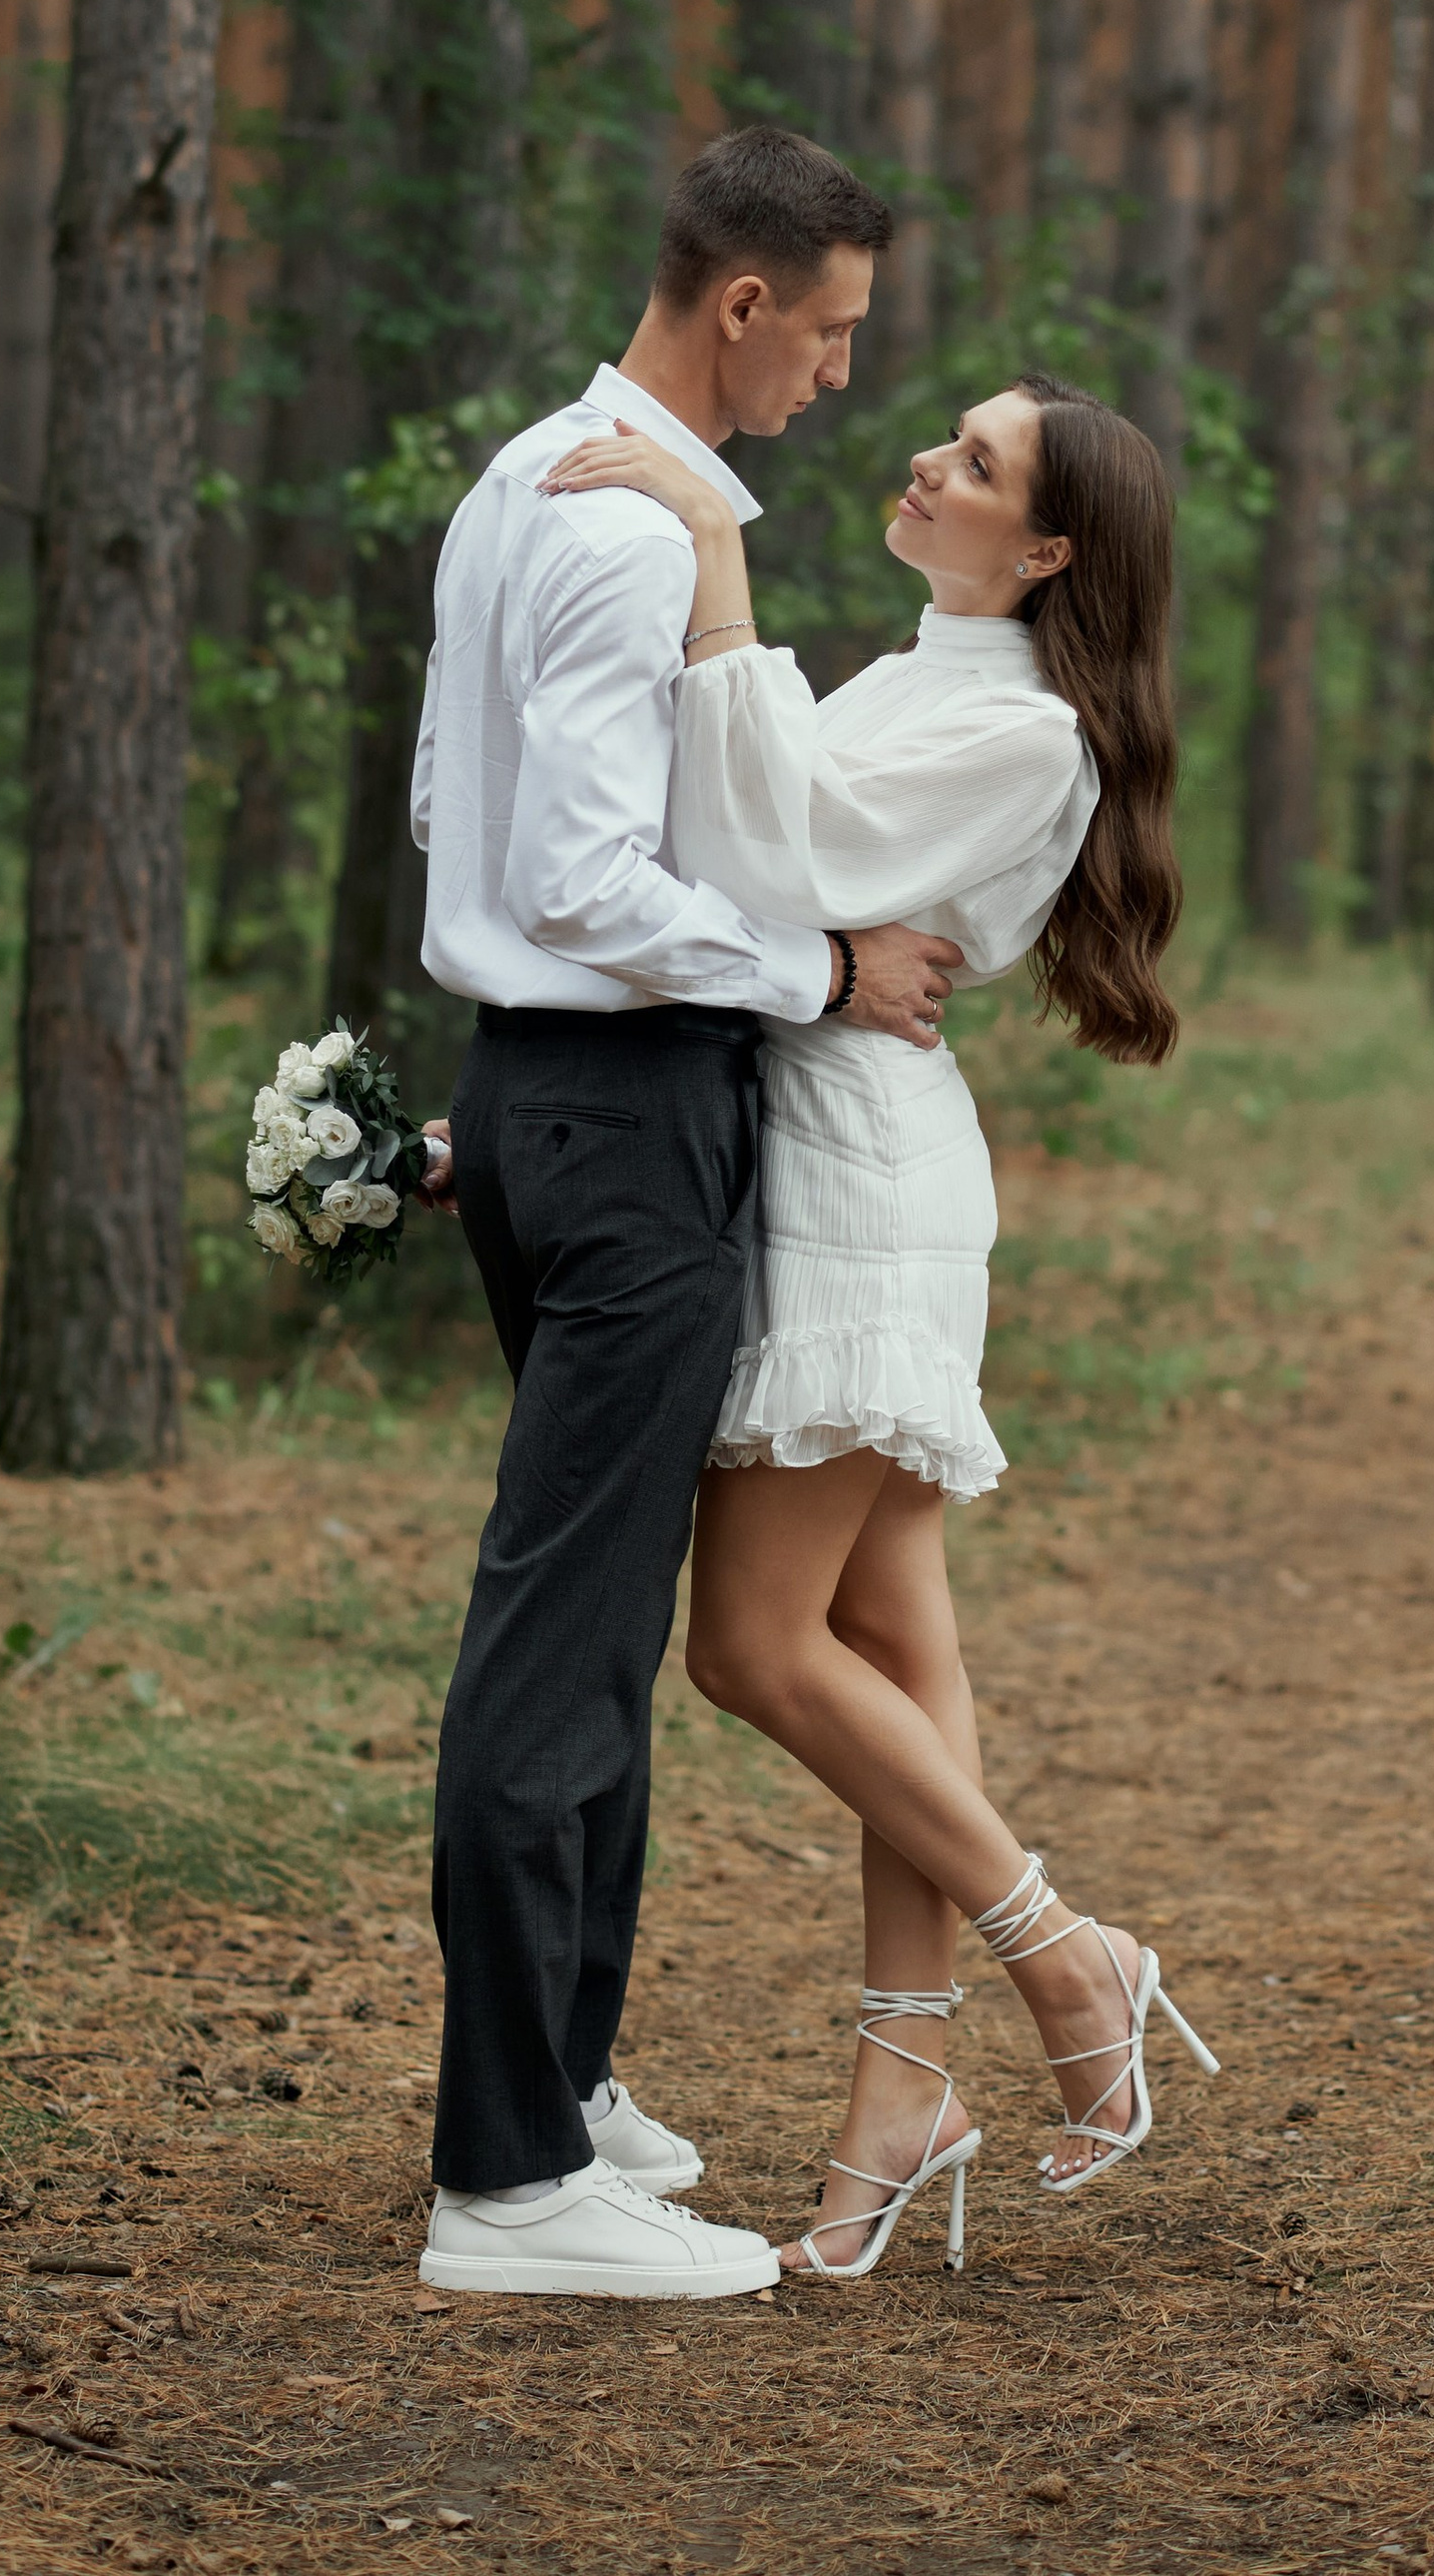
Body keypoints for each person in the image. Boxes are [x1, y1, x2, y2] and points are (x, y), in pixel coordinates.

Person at [535, 370, 1217, 2280]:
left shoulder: (1032, 732)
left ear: (1050, 548)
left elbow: (790, 859)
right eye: (951, 438)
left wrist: (710, 550)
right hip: (815, 1149)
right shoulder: (930, 676)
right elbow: (756, 846)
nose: (929, 461)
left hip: (861, 1191)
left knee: (751, 1651)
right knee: (896, 1646)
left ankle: (1069, 1958)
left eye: (977, 464)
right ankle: (902, 2078)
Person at [412, 127, 964, 2304]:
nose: (837, 373)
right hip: (626, 1118)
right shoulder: (631, 535)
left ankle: (561, 2087)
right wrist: (814, 966)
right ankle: (504, 2180)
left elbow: (472, 811)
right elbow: (574, 881)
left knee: (600, 1622)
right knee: (558, 1644)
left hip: (547, 1100)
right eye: (825, 330)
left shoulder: (526, 471)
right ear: (738, 303)